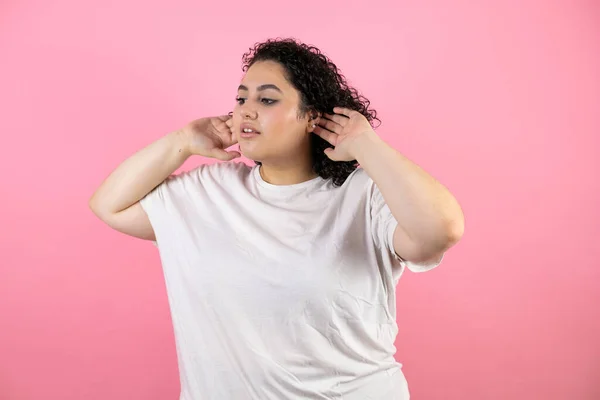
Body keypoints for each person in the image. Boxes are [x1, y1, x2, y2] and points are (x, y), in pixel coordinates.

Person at [89, 38, 464, 400]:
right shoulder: (207, 191)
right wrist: (183, 141)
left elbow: (440, 230)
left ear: (311, 117)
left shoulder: (362, 194)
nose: (245, 111)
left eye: (267, 99)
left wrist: (366, 144)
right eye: (240, 99)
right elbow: (110, 205)